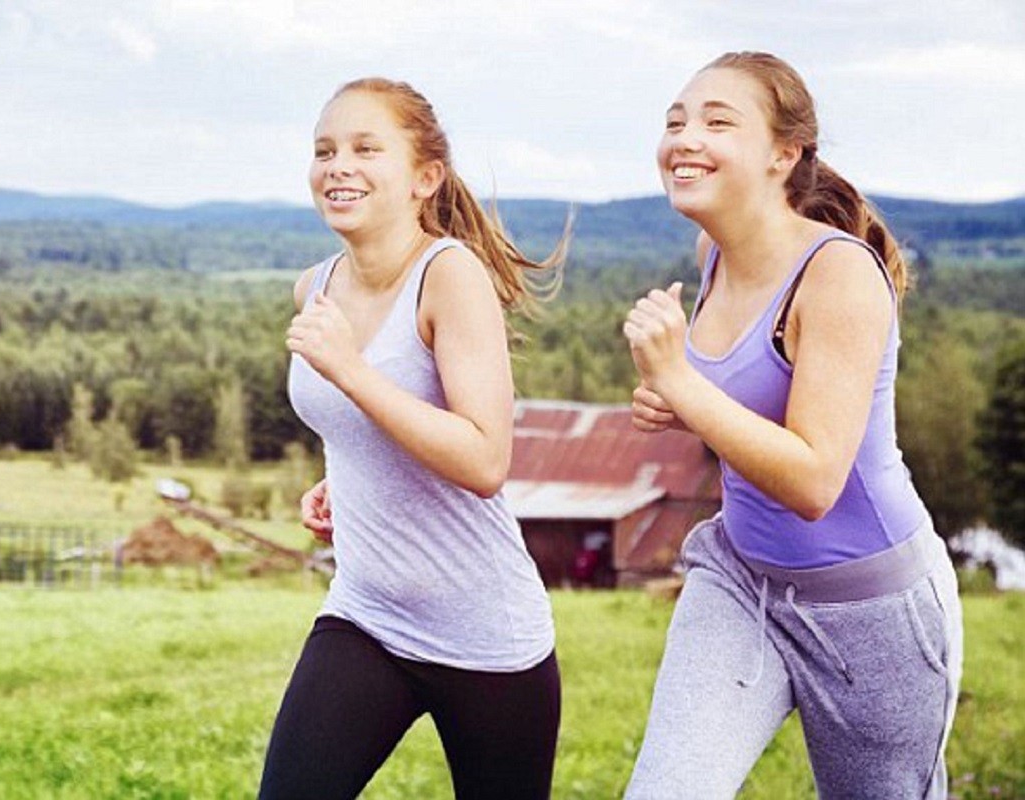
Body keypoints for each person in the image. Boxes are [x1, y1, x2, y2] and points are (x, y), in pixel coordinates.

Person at [620, 52, 963, 798]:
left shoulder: (838, 274)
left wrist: (681, 381)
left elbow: (813, 479)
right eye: (676, 121)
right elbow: (745, 411)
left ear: (785, 154)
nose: (685, 137)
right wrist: (676, 407)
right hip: (742, 577)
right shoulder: (715, 253)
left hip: (869, 611)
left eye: (717, 121)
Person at [258, 77, 568, 800]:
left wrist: (350, 370)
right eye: (324, 149)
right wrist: (346, 475)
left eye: (367, 148)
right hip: (367, 616)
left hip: (486, 635)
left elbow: (486, 457)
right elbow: (368, 427)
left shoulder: (450, 276)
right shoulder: (317, 286)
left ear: (424, 177)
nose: (338, 164)